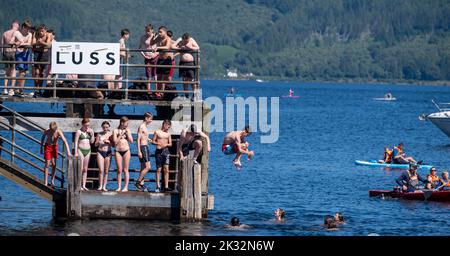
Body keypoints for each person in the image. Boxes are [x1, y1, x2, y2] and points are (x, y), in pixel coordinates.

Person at [40, 122, 71, 186]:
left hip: (54, 147)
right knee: (47, 164)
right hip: (47, 146)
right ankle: (45, 181)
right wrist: (41, 147)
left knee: (54, 164)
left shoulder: (58, 131)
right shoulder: (47, 131)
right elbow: (43, 138)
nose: (53, 131)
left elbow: (64, 140)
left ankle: (52, 180)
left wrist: (68, 151)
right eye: (51, 129)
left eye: (53, 130)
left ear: (56, 128)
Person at [172, 33, 200, 99]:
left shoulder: (191, 40)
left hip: (190, 63)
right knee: (184, 80)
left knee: (192, 80)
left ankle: (195, 95)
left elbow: (198, 47)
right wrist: (180, 48)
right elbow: (172, 46)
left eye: (186, 41)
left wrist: (189, 47)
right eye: (184, 41)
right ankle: (186, 95)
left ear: (188, 38)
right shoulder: (180, 40)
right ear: (183, 39)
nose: (185, 42)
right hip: (182, 63)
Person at [10, 20, 33, 97]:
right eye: (27, 28)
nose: (28, 30)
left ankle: (20, 90)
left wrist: (21, 43)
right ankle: (17, 90)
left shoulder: (29, 34)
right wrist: (15, 43)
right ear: (23, 27)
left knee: (24, 72)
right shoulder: (17, 33)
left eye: (29, 28)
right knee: (21, 72)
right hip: (19, 54)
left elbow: (29, 43)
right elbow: (11, 42)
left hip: (26, 54)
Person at [113, 116, 133, 192]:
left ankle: (126, 187)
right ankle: (118, 186)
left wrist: (127, 133)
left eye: (127, 123)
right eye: (126, 123)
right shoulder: (115, 131)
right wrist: (121, 135)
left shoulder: (128, 130)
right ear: (122, 123)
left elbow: (131, 141)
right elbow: (115, 142)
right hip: (118, 151)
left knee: (126, 169)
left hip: (126, 151)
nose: (127, 125)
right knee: (119, 170)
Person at [74, 118, 95, 191]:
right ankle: (78, 185)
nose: (87, 127)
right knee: (80, 168)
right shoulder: (79, 132)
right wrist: (76, 152)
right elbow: (76, 142)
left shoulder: (90, 131)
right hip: (81, 150)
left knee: (85, 169)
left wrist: (92, 134)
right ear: (82, 124)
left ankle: (84, 185)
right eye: (86, 125)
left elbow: (92, 142)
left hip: (88, 150)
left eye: (88, 125)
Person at [152, 119, 172, 192]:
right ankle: (158, 186)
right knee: (158, 169)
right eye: (167, 125)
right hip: (158, 152)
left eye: (169, 126)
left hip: (166, 152)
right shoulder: (157, 132)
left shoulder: (168, 134)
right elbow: (153, 141)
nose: (168, 127)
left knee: (166, 169)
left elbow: (170, 143)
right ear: (164, 124)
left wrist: (166, 144)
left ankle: (166, 186)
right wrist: (158, 143)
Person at [31, 24, 51, 96]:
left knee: (42, 73)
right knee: (36, 72)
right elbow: (33, 43)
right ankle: (36, 89)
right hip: (37, 53)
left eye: (43, 31)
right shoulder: (36, 34)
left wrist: (41, 42)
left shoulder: (48, 35)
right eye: (40, 31)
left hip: (44, 54)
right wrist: (38, 42)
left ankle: (40, 90)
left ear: (45, 30)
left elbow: (48, 45)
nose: (41, 33)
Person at [135, 112, 153, 191]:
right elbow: (138, 139)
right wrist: (139, 151)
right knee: (148, 167)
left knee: (143, 167)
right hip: (143, 147)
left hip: (145, 146)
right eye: (150, 119)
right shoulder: (141, 126)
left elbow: (144, 137)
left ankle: (141, 184)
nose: (151, 121)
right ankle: (138, 182)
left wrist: (148, 139)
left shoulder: (145, 126)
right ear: (146, 118)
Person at [154, 26, 173, 99]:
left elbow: (167, 47)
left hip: (166, 60)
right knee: (158, 77)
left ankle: (163, 93)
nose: (159, 33)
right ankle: (158, 93)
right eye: (158, 32)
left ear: (165, 32)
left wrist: (158, 48)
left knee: (165, 78)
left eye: (160, 32)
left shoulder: (168, 38)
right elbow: (151, 42)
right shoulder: (159, 38)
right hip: (160, 59)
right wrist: (153, 36)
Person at [1, 20, 20, 95]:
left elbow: (1, 45)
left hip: (6, 53)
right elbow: (19, 42)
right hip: (13, 53)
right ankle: (11, 90)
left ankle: (5, 89)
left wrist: (3, 54)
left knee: (6, 72)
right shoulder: (16, 33)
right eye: (18, 26)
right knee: (13, 71)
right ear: (16, 26)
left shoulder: (5, 33)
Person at [139, 24, 159, 92]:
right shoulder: (143, 37)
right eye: (146, 31)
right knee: (148, 73)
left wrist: (155, 54)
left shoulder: (156, 37)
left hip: (155, 56)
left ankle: (156, 89)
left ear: (152, 30)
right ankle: (149, 90)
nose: (147, 32)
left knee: (155, 73)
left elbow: (160, 48)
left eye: (149, 31)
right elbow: (140, 48)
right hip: (147, 57)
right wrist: (144, 55)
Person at [94, 121, 113, 191]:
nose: (105, 129)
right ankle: (100, 186)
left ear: (108, 127)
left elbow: (114, 144)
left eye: (107, 127)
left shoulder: (111, 134)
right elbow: (95, 144)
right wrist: (99, 142)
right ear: (102, 127)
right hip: (100, 152)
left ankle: (104, 186)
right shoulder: (99, 134)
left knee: (106, 171)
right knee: (101, 170)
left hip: (108, 152)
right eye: (104, 127)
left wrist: (109, 142)